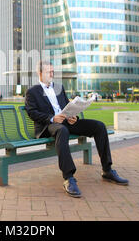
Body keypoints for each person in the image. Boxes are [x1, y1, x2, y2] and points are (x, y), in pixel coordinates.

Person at [25, 60, 128, 198]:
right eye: (49, 72)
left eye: (52, 71)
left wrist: (72, 116)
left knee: (99, 126)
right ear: (40, 73)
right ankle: (69, 177)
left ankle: (107, 170)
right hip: (48, 126)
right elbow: (32, 112)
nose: (52, 74)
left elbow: (66, 107)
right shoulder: (32, 91)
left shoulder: (59, 88)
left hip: (65, 122)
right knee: (62, 130)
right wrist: (52, 118)